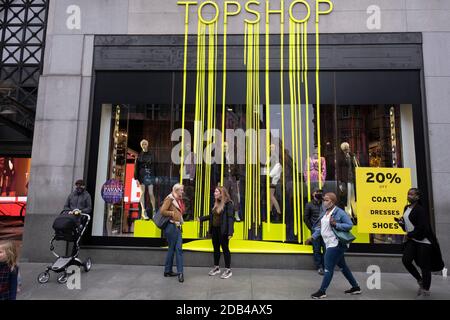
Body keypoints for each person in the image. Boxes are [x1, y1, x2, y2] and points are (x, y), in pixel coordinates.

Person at [306, 192, 361, 299]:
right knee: (343, 267)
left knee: (328, 268)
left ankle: (322, 291)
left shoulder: (339, 212)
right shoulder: (325, 212)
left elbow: (349, 225)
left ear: (333, 201)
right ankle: (356, 287)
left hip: (336, 244)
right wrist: (312, 237)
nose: (324, 202)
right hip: (328, 243)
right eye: (324, 200)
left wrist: (336, 224)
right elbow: (321, 228)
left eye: (327, 200)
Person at [395, 188, 444, 297]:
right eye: (408, 194)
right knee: (406, 260)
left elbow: (423, 228)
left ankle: (425, 289)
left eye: (412, 194)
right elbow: (407, 227)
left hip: (423, 241)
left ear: (417, 197)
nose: (409, 196)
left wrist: (409, 235)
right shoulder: (406, 208)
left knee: (424, 266)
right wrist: (401, 223)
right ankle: (420, 280)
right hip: (413, 240)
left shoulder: (420, 210)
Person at [199, 186, 235, 279]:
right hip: (215, 229)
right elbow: (212, 216)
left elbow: (230, 218)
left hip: (223, 231)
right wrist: (201, 219)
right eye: (214, 191)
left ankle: (228, 270)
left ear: (221, 193)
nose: (214, 193)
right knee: (216, 249)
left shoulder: (228, 204)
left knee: (225, 249)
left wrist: (230, 232)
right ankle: (216, 268)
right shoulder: (216, 203)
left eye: (216, 192)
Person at [160, 183, 185, 283]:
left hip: (177, 227)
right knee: (178, 249)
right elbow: (162, 211)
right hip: (171, 227)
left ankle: (168, 271)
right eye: (181, 190)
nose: (182, 192)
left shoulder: (178, 200)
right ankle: (180, 273)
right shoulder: (169, 199)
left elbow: (181, 212)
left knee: (174, 249)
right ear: (176, 190)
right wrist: (172, 213)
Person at [304, 189, 325, 275]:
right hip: (315, 230)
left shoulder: (324, 204)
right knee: (316, 249)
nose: (319, 194)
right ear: (313, 194)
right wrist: (312, 228)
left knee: (326, 249)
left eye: (321, 193)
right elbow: (305, 218)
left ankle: (325, 266)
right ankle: (319, 267)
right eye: (317, 192)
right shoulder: (309, 205)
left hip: (325, 231)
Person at [134, 139, 157, 220]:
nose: (144, 145)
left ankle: (154, 210)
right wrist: (136, 178)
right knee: (142, 192)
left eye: (145, 144)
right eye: (143, 144)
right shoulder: (139, 156)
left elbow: (154, 166)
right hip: (142, 175)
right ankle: (143, 211)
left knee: (151, 193)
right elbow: (136, 167)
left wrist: (155, 177)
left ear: (147, 145)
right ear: (141, 145)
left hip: (150, 175)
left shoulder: (151, 155)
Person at [337, 142, 359, 219]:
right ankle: (348, 214)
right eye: (345, 149)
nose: (346, 150)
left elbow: (357, 166)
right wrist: (340, 181)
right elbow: (338, 170)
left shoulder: (353, 156)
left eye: (347, 148)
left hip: (353, 179)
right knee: (348, 197)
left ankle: (356, 213)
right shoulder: (341, 157)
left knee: (354, 197)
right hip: (346, 179)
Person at [269, 144, 282, 223]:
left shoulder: (274, 156)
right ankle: (270, 213)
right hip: (273, 179)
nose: (271, 149)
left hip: (273, 179)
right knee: (271, 197)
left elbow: (277, 167)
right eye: (270, 147)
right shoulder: (273, 156)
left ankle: (278, 212)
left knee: (271, 196)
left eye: (272, 147)